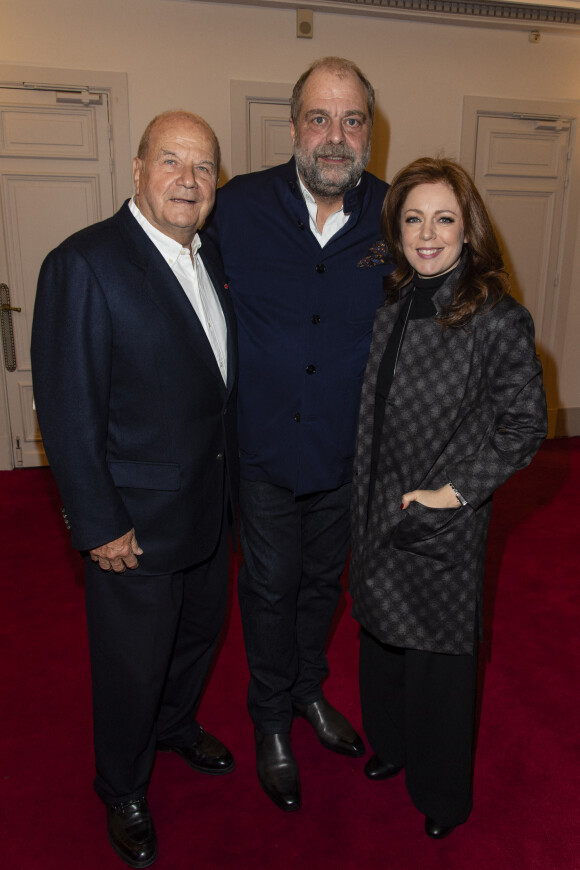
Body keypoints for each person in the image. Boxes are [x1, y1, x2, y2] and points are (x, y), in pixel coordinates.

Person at [31, 111, 238, 869]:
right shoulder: (84, 264)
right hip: (134, 527)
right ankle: (120, 785)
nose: (189, 180)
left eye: (204, 167)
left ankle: (176, 727)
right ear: (138, 169)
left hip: (209, 512)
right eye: (172, 162)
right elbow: (66, 404)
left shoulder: (209, 256)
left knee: (196, 639)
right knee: (130, 666)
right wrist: (98, 522)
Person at [204, 57, 391, 812]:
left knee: (322, 586)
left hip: (350, 456)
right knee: (270, 588)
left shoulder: (395, 213)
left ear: (370, 133)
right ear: (293, 127)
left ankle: (309, 691)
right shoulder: (236, 207)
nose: (335, 136)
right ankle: (270, 718)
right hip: (263, 452)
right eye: (320, 118)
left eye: (351, 121)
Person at [349, 157, 548, 838]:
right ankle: (392, 746)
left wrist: (453, 493)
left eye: (444, 219)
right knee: (378, 636)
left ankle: (442, 795)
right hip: (376, 501)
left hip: (441, 516)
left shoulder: (496, 317)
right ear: (396, 228)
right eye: (413, 219)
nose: (427, 234)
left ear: (469, 230)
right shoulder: (395, 298)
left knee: (438, 662)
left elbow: (526, 425)